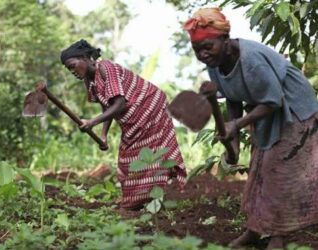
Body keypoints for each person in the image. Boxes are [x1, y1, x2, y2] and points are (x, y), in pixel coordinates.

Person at [183, 7, 318, 250]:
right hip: (267, 109)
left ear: (225, 39)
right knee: (259, 167)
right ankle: (255, 231)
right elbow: (233, 100)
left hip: (295, 109)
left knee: (277, 172)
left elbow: (273, 100)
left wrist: (238, 124)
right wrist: (232, 141)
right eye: (197, 50)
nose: (203, 54)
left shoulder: (251, 59)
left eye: (208, 46)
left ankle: (278, 237)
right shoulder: (215, 64)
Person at [60, 39, 187, 210]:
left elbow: (119, 104)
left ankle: (149, 201)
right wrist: (103, 135)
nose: (72, 71)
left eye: (73, 65)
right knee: (128, 160)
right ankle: (140, 201)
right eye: (69, 69)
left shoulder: (106, 68)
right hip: (131, 121)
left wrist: (92, 122)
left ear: (85, 58)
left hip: (149, 108)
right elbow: (107, 104)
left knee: (150, 155)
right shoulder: (90, 80)